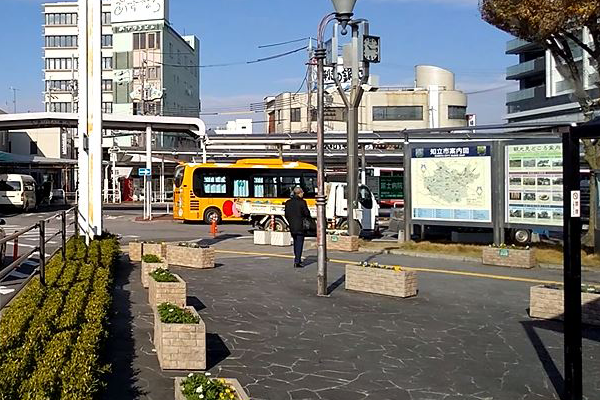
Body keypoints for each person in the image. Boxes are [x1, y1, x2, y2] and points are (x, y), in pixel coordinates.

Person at [284, 186, 311, 268]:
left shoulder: (288, 202)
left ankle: (297, 258)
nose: (303, 194)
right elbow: (307, 213)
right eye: (302, 192)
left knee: (295, 242)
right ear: (299, 193)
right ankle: (297, 261)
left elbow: (286, 214)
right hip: (300, 226)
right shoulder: (302, 202)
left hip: (292, 225)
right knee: (299, 243)